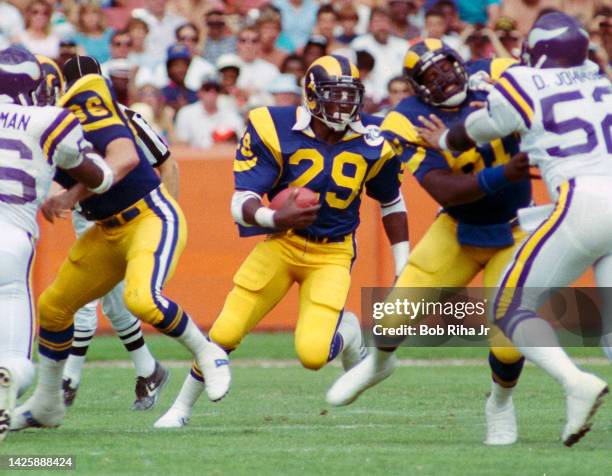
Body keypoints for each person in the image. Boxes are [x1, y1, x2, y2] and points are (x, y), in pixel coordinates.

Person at [154, 54, 409, 428]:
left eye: (350, 95)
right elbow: (241, 203)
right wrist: (275, 218)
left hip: (333, 252)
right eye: (334, 95)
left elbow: (391, 200)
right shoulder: (272, 125)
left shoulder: (376, 137)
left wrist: (404, 262)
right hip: (283, 241)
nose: (344, 105)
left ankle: (350, 331)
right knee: (225, 331)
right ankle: (181, 409)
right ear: (310, 95)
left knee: (312, 354)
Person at [416, 12, 611, 446]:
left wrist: (444, 141)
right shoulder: (603, 84)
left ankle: (575, 383)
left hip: (581, 202)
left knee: (509, 308)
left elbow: (476, 130)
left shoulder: (524, 82)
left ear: (537, 51)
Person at [326, 39, 533, 447]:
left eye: (446, 66)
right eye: (429, 75)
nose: (443, 78)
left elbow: (539, 81)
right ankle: (379, 364)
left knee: (510, 343)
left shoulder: (494, 75)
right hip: (457, 227)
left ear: (461, 62)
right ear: (417, 87)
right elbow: (446, 190)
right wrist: (505, 173)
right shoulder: (406, 120)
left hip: (514, 228)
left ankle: (500, 404)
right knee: (389, 321)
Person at [11, 55, 231, 431]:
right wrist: (68, 193)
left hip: (148, 215)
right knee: (54, 307)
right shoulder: (40, 129)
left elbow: (127, 158)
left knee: (139, 299)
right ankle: (49, 402)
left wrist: (76, 192)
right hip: (104, 228)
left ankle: (208, 352)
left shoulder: (92, 107)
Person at [29, 55, 178, 411]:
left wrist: (166, 210)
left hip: (126, 214)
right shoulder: (69, 119)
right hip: (92, 214)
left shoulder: (119, 117)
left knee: (90, 302)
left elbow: (167, 161)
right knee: (109, 302)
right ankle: (146, 369)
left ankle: (70, 379)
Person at [0, 46, 119, 442]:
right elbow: (99, 176)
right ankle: (9, 379)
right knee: (17, 359)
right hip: (11, 241)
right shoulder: (49, 119)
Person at [174, 75, 244, 149]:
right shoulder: (186, 113)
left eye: (216, 89)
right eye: (207, 89)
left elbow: (240, 144)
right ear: (199, 92)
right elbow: (181, 144)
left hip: (224, 158)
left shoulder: (231, 114)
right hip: (195, 158)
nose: (212, 92)